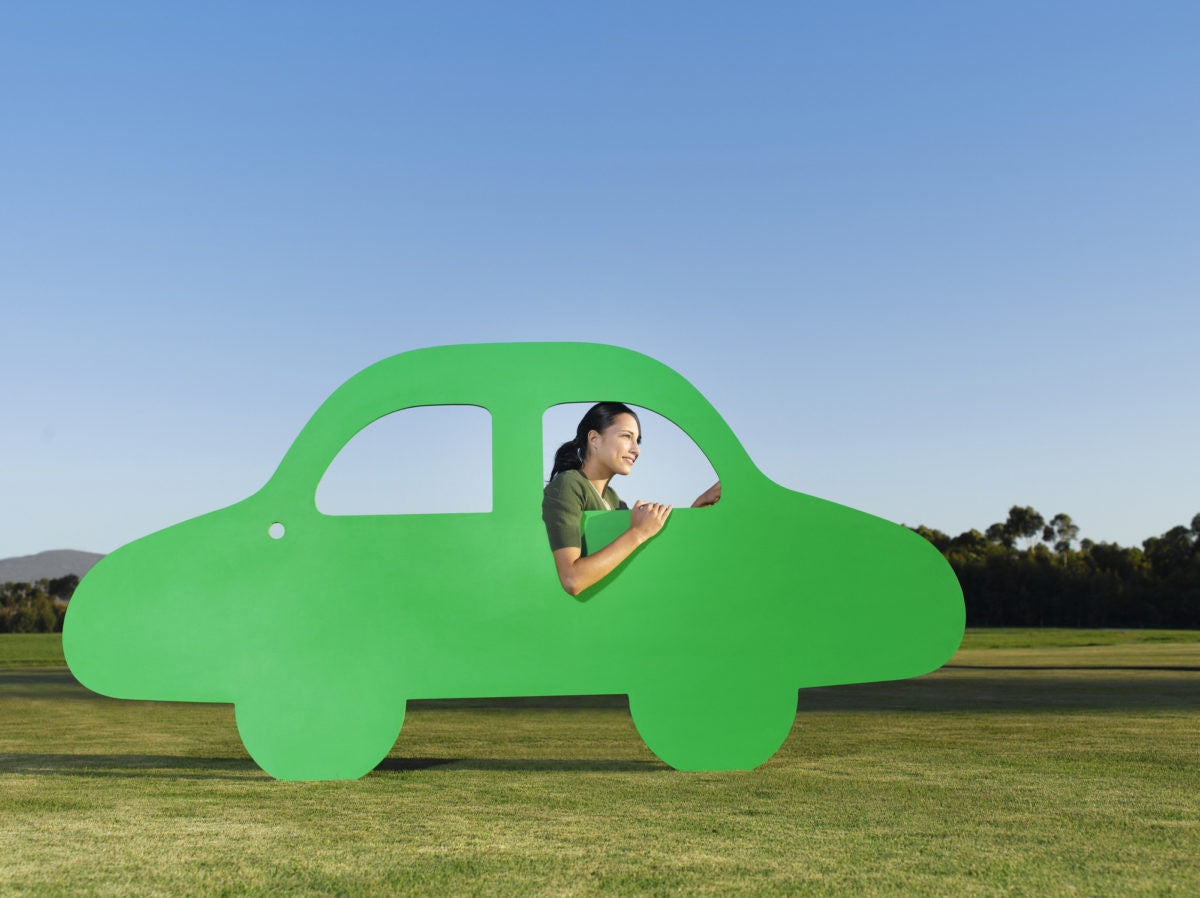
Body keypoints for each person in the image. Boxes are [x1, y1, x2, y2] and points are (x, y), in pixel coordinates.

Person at [542, 402, 721, 596]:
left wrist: (699, 504)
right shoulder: (569, 485)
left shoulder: (614, 500)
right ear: (594, 439)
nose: (636, 450)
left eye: (638, 441)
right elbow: (572, 579)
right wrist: (639, 532)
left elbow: (636, 558)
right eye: (626, 436)